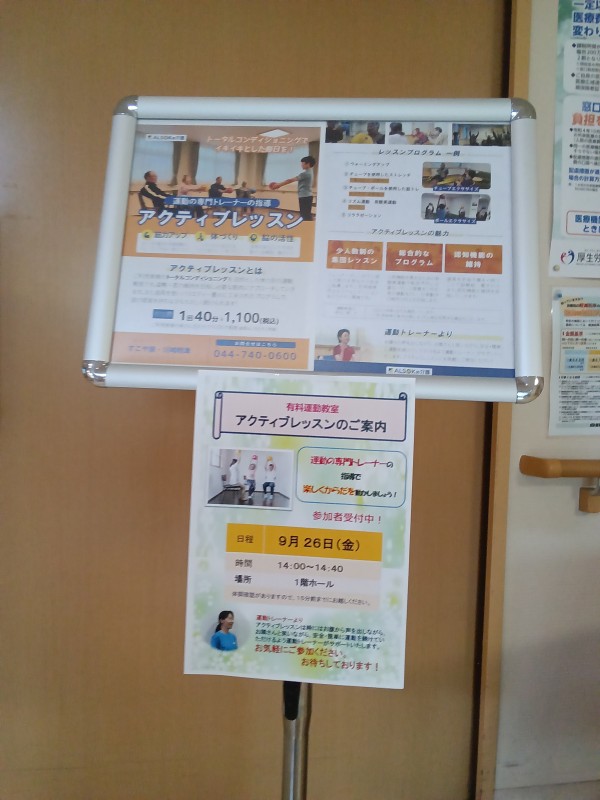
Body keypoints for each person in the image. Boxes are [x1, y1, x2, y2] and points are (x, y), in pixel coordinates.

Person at [269, 155, 316, 221]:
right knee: (306, 214)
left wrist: (278, 185)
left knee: (305, 215)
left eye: (302, 163)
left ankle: (309, 226)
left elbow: (290, 180)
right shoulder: (310, 172)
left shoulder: (305, 174)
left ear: (307, 164)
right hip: (306, 196)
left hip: (305, 197)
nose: (301, 165)